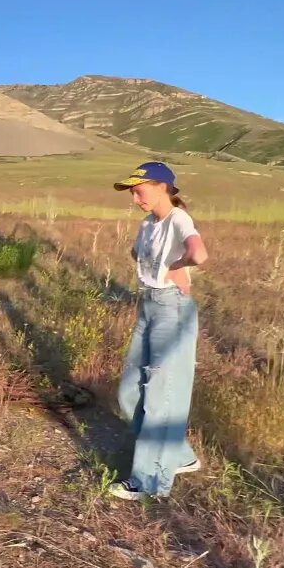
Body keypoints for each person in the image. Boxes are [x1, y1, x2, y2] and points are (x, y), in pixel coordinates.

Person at [109, 161, 208, 501]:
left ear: (163, 187)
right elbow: (137, 252)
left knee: (160, 396)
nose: (136, 198)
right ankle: (180, 456)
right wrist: (150, 261)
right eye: (133, 193)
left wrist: (176, 266)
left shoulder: (179, 219)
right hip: (149, 305)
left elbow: (199, 253)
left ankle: (149, 481)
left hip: (172, 309)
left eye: (140, 191)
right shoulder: (147, 224)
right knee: (128, 392)